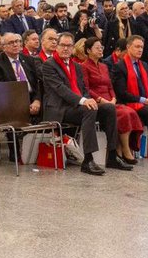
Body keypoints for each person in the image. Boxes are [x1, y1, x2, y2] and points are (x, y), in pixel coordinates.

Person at [41, 32, 122, 175]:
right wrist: (84, 101)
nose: (66, 49)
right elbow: (61, 89)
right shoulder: (49, 65)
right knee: (89, 109)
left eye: (69, 46)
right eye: (63, 45)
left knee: (109, 108)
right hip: (59, 109)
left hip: (77, 106)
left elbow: (84, 89)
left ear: (73, 48)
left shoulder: (76, 66)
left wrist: (87, 99)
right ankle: (88, 160)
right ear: (56, 47)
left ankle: (112, 155)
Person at [79, 37, 141, 164]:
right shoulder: (83, 67)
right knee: (124, 114)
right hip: (97, 102)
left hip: (110, 101)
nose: (101, 50)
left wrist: (113, 98)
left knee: (130, 111)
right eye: (97, 47)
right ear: (89, 50)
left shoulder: (103, 66)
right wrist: (101, 99)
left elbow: (110, 86)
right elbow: (87, 88)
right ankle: (123, 150)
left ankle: (122, 148)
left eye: (101, 47)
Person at [111, 35, 148, 158]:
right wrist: (144, 100)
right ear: (128, 47)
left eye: (142, 47)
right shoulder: (120, 66)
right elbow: (122, 93)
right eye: (137, 47)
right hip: (130, 102)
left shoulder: (143, 64)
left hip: (147, 100)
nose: (140, 50)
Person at [0, 32, 42, 120]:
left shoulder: (29, 60)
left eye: (17, 41)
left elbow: (37, 83)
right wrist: (23, 104)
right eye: (11, 43)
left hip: (32, 99)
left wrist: (37, 100)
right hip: (11, 101)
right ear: (3, 47)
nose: (15, 44)